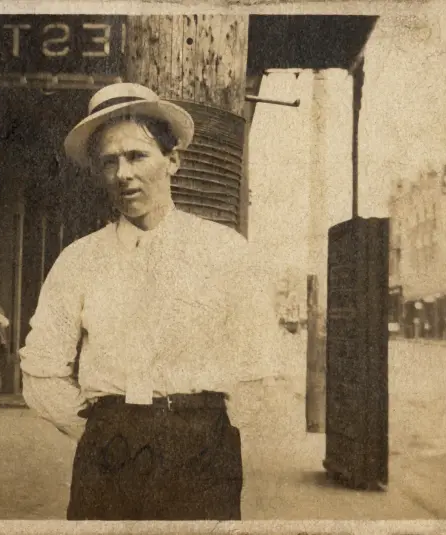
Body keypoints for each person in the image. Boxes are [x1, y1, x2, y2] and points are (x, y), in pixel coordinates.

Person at [19, 83, 281, 520]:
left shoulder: (226, 251)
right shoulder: (79, 260)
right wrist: (104, 428)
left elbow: (258, 366)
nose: (123, 174)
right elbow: (41, 368)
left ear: (172, 161)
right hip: (109, 451)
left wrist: (207, 431)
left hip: (201, 451)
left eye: (137, 156)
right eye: (109, 161)